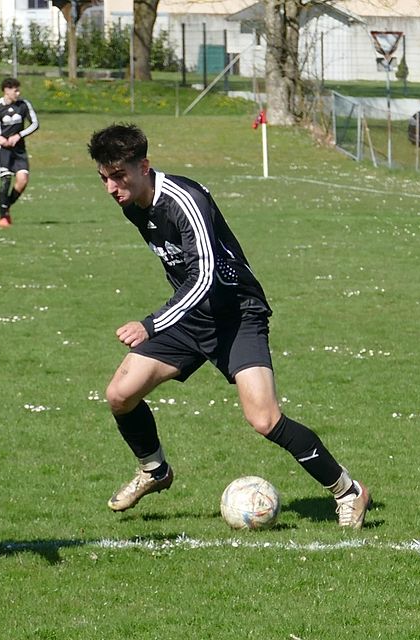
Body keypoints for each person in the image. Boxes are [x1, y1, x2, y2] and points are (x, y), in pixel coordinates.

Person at [86, 123, 370, 528]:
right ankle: (155, 470)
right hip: (191, 318)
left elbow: (206, 275)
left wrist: (151, 324)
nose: (112, 188)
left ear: (144, 166)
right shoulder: (133, 205)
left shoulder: (186, 200)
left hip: (236, 314)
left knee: (265, 419)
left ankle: (349, 492)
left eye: (119, 177)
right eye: (104, 179)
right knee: (120, 394)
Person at [0, 77, 38, 227]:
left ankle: (5, 206)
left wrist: (19, 135)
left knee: (22, 181)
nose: (18, 93)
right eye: (15, 90)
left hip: (19, 150)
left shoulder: (24, 105)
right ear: (6, 90)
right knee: (6, 180)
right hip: (4, 151)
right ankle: (3, 217)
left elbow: (35, 124)